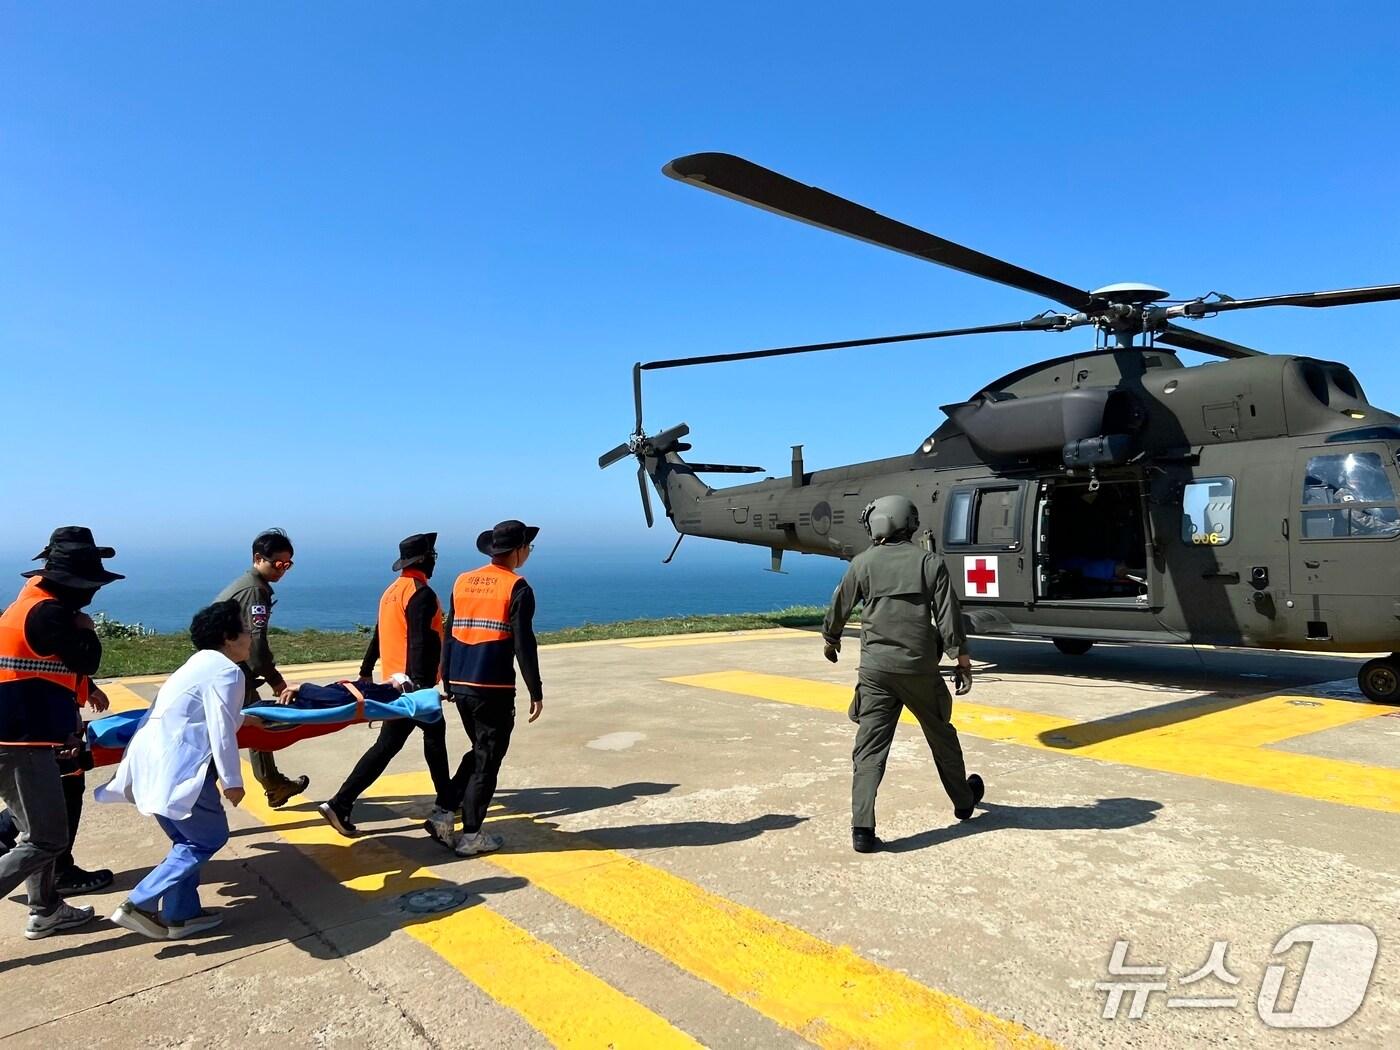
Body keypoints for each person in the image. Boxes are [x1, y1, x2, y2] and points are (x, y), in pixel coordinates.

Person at [821, 496, 984, 854]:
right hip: (920, 670)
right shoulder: (930, 563)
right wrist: (961, 658)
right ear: (908, 523)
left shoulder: (862, 563)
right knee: (941, 736)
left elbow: (839, 605)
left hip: (876, 672)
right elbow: (947, 616)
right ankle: (963, 801)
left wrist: (831, 639)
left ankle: (862, 827)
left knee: (868, 750)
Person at [97, 600, 248, 939]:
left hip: (151, 763)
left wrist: (245, 718)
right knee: (208, 837)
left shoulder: (196, 665)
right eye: (247, 630)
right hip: (177, 769)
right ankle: (140, 903)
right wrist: (232, 780)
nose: (251, 637)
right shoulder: (227, 670)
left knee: (187, 840)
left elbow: (206, 714)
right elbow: (220, 728)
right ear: (228, 637)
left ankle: (182, 914)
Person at [0, 527, 120, 939]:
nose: (93, 595)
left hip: (27, 737)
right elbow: (87, 658)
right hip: (19, 743)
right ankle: (45, 908)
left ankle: (46, 909)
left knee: (38, 831)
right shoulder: (50, 613)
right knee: (47, 838)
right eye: (91, 586)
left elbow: (52, 672)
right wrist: (86, 628)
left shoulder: (27, 604)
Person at [317, 533, 452, 838]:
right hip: (412, 687)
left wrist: (366, 669)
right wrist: (421, 687)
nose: (434, 563)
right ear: (425, 560)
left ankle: (341, 803)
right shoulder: (421, 594)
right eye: (433, 557)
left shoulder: (391, 592)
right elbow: (421, 642)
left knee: (389, 745)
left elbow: (379, 634)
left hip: (394, 681)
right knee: (433, 739)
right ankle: (446, 804)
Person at [431, 520, 544, 857]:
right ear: (519, 550)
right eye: (529, 547)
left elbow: (450, 632)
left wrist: (447, 678)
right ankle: (472, 836)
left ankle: (443, 812)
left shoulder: (463, 581)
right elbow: (524, 644)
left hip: (462, 684)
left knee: (479, 749)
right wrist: (535, 690)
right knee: (487, 761)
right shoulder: (517, 586)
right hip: (492, 685)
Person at [215, 528, 308, 808]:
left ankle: (274, 784)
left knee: (256, 724)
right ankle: (271, 784)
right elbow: (256, 644)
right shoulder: (255, 592)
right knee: (254, 725)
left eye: (287, 565)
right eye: (277, 563)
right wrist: (277, 682)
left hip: (228, 667)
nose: (282, 570)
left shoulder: (250, 585)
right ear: (258, 558)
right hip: (230, 669)